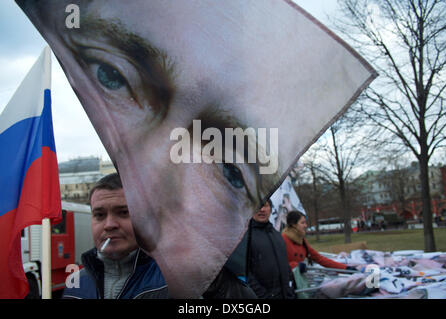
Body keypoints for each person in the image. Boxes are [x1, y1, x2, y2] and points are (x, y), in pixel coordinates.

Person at [18, 0, 375, 297]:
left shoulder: (190, 290)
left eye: (230, 170)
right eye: (113, 76)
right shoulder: (77, 286)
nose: (151, 190)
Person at [63, 173, 168, 299]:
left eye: (123, 212)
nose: (109, 225)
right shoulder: (76, 282)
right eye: (100, 215)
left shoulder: (175, 281)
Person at [246, 200, 296, 299]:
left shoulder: (277, 235)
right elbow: (245, 273)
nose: (262, 210)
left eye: (265, 206)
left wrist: (290, 291)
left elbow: (285, 266)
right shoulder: (245, 237)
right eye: (258, 206)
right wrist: (263, 296)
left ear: (270, 209)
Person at [282, 211, 356, 273]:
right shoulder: (282, 240)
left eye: (305, 222)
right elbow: (277, 264)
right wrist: (295, 266)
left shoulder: (301, 241)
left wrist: (345, 268)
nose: (306, 225)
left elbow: (320, 259)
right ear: (293, 224)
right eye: (302, 223)